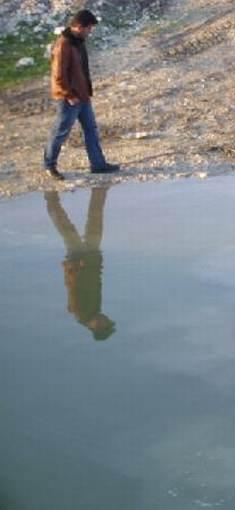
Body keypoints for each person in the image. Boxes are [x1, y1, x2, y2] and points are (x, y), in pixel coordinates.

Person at [43, 9, 119, 180]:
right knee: (60, 132)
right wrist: (68, 95)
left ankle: (98, 165)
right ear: (79, 26)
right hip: (69, 98)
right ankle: (49, 165)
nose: (90, 32)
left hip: (82, 96)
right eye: (88, 28)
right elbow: (58, 75)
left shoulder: (77, 42)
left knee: (91, 129)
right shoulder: (64, 44)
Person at [45, 187, 116, 340]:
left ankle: (50, 197)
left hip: (78, 260)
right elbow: (96, 281)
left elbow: (71, 287)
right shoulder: (94, 310)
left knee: (65, 226)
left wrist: (73, 267)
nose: (106, 319)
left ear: (97, 327)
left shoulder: (79, 312)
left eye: (106, 323)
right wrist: (97, 263)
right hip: (92, 259)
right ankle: (99, 190)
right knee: (95, 222)